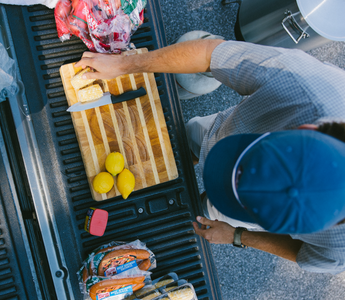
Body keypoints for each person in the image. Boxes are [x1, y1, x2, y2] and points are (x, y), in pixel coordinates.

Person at [75, 39, 345, 274]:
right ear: (307, 127)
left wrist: (238, 235)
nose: (225, 179)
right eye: (251, 156)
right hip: (221, 133)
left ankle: (216, 200)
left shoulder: (340, 248)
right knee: (188, 138)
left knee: (203, 211)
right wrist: (125, 65)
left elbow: (303, 254)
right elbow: (208, 54)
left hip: (242, 196)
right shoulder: (303, 85)